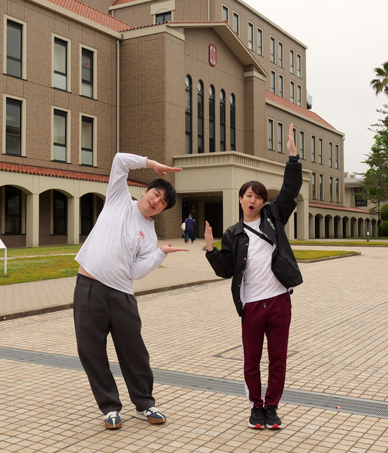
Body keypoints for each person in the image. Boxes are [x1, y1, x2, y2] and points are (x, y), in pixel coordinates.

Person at [74, 152, 187, 430]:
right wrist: (153, 165)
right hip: (89, 288)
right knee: (91, 350)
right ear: (146, 190)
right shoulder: (118, 199)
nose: (156, 201)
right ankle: (110, 407)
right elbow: (119, 160)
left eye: (163, 203)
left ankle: (145, 404)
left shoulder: (149, 234)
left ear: (162, 210)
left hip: (122, 294)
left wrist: (160, 254)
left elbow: (135, 272)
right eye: (156, 194)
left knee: (134, 351)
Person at [204, 123, 303, 430]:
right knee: (251, 361)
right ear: (241, 199)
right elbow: (227, 270)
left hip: (278, 301)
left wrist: (292, 158)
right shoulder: (233, 233)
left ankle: (272, 407)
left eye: (257, 196)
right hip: (250, 305)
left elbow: (289, 191)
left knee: (277, 359)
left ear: (262, 202)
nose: (252, 200)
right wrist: (210, 250)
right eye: (248, 195)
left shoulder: (274, 217)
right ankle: (255, 407)